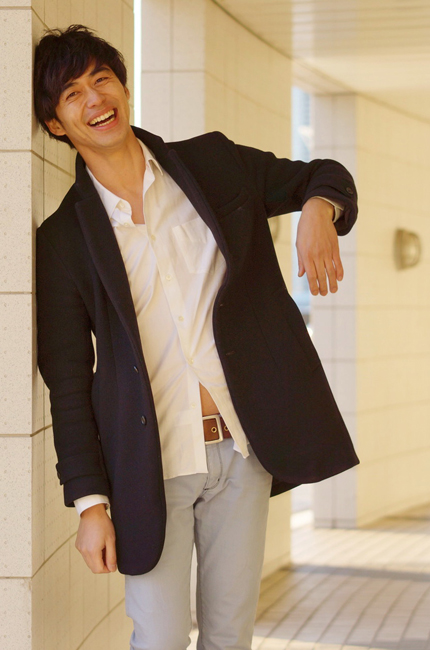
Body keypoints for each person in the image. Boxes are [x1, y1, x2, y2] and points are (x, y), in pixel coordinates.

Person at [34, 24, 359, 650]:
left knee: (230, 636)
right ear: (56, 124)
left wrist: (319, 210)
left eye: (102, 79)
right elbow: (67, 382)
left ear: (123, 87)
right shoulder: (63, 239)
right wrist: (89, 505)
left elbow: (324, 173)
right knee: (158, 638)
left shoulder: (212, 165)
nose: (95, 98)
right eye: (72, 94)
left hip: (240, 447)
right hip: (147, 462)